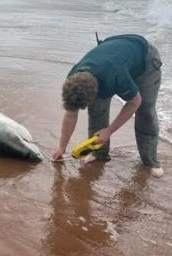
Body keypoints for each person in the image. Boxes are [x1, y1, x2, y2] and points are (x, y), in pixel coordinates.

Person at [52, 34, 164, 177]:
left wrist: (109, 130)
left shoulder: (116, 75)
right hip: (115, 52)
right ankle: (100, 154)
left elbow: (135, 102)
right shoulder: (73, 77)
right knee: (97, 109)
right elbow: (70, 114)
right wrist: (61, 147)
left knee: (145, 110)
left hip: (145, 59)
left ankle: (151, 161)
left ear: (97, 90)